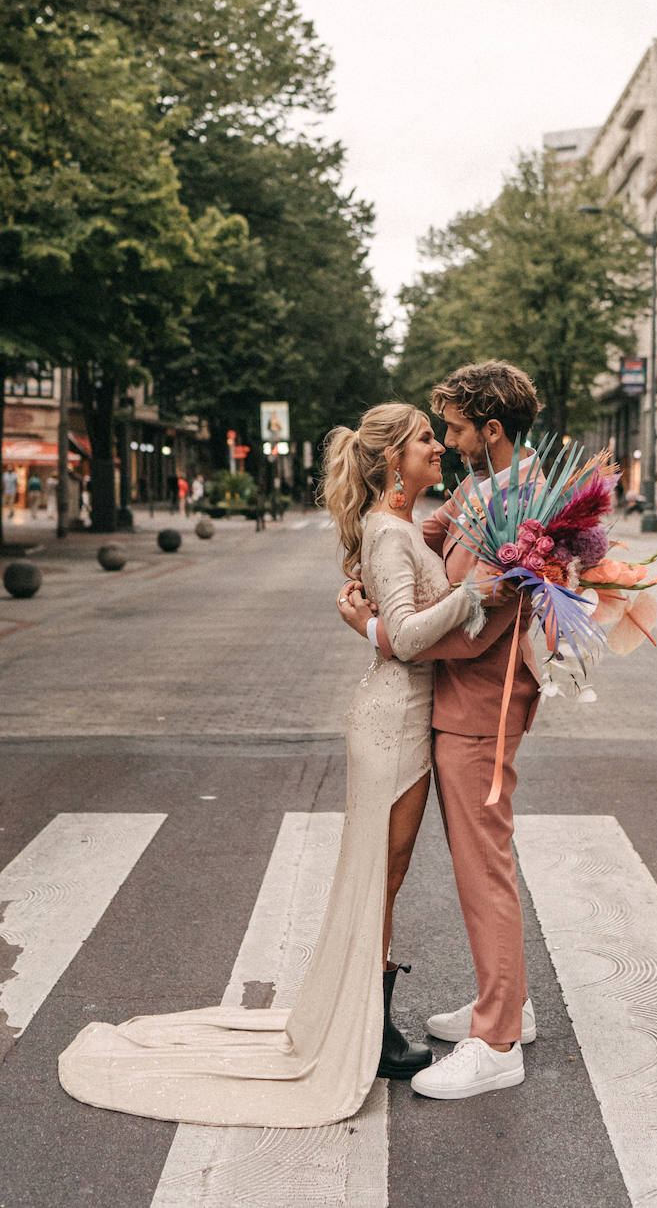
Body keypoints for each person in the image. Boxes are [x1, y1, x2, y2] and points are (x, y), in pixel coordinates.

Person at [59, 404, 486, 1127]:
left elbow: (398, 627)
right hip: (393, 722)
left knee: (383, 875)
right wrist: (472, 596)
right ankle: (369, 1028)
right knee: (380, 876)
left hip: (405, 719)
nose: (437, 448)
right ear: (392, 463)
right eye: (424, 441)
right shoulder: (388, 534)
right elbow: (409, 639)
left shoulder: (402, 526)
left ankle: (367, 1018)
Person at [339, 360, 542, 1100]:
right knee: (481, 864)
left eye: (455, 429)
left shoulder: (523, 507)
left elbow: (485, 629)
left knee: (481, 869)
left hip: (477, 705)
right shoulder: (487, 490)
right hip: (458, 705)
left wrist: (378, 631)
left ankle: (498, 1040)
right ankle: (506, 1000)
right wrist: (402, 537)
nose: (450, 441)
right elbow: (430, 540)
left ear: (491, 430)